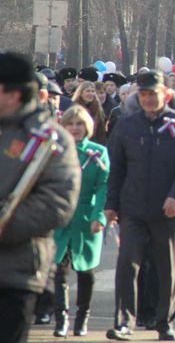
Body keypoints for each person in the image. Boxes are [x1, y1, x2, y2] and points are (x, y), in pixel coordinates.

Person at [104, 70, 175, 341]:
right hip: (132, 209)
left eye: (153, 94)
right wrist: (111, 205)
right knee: (127, 265)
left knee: (167, 268)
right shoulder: (127, 124)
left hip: (167, 210)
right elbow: (116, 168)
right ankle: (124, 322)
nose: (147, 99)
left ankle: (164, 322)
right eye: (143, 94)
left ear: (165, 95)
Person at [0, 53, 80, 343]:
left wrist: (7, 223)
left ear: (14, 93)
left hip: (15, 273)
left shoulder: (50, 139)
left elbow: (57, 203)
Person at [53, 106, 109, 337]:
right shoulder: (54, 150)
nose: (75, 128)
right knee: (59, 270)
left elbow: (104, 186)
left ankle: (82, 318)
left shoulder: (98, 152)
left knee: (86, 270)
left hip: (86, 217)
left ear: (87, 126)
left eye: (79, 124)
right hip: (59, 216)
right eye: (70, 124)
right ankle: (61, 318)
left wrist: (99, 215)